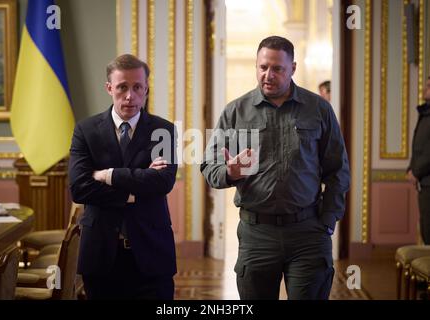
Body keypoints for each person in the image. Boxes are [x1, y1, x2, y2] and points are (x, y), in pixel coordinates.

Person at [201, 36, 350, 300]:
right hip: (257, 234)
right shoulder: (236, 111)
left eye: (277, 69)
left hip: (308, 233)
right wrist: (230, 172)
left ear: (292, 68)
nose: (268, 75)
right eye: (263, 67)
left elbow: (338, 170)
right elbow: (209, 165)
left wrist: (328, 221)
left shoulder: (319, 109)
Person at [69, 54, 177, 299]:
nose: (130, 96)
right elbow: (80, 189)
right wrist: (133, 191)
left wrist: (109, 175)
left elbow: (162, 182)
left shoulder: (165, 130)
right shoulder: (85, 130)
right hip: (101, 255)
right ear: (109, 88)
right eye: (122, 87)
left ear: (146, 88)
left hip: (152, 253)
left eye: (137, 87)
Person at [406, 76, 430, 245]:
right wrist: (410, 169)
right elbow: (418, 148)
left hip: (428, 180)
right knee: (426, 227)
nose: (424, 88)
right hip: (424, 180)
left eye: (428, 86)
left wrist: (416, 171)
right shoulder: (425, 113)